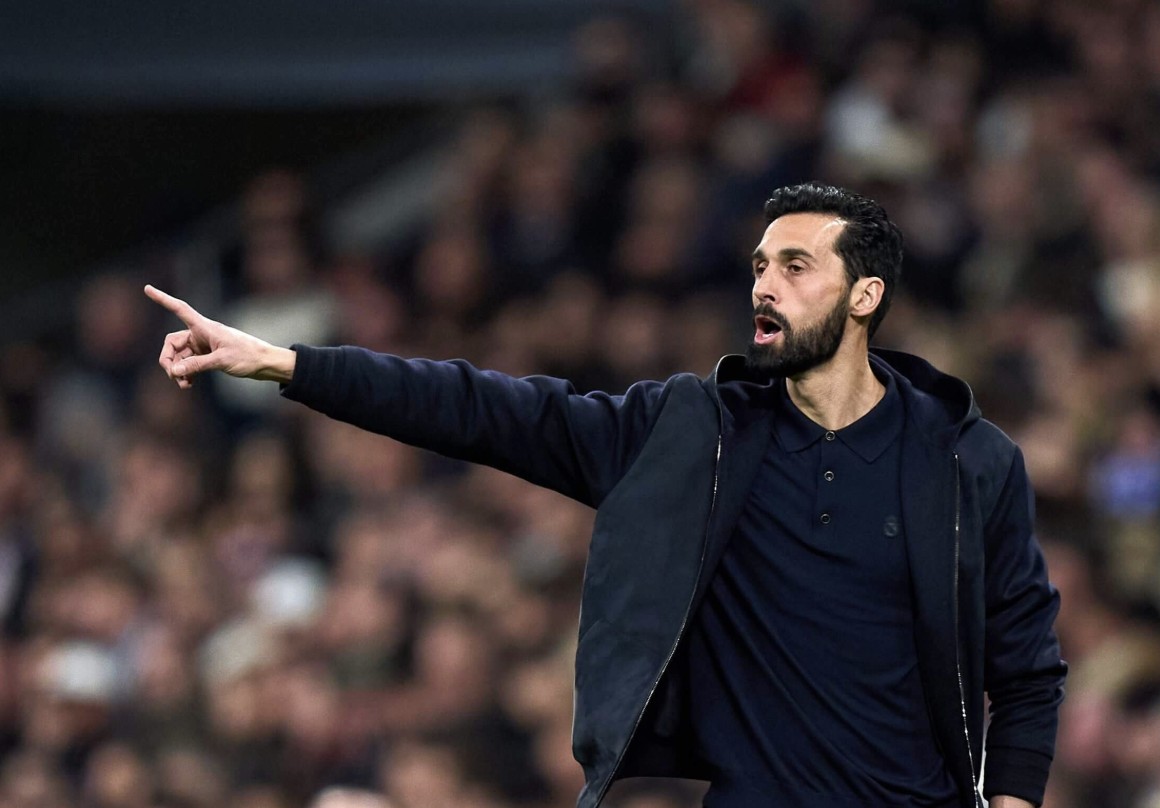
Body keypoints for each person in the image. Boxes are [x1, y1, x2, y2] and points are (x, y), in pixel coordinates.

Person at [146, 181, 1066, 808]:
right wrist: (288, 364)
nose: (764, 286)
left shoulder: (968, 461)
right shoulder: (691, 434)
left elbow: (1026, 673)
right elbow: (484, 411)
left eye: (795, 267)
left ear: (865, 296)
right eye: (758, 265)